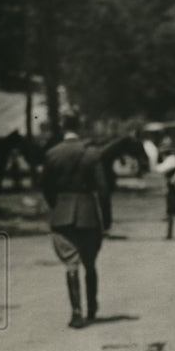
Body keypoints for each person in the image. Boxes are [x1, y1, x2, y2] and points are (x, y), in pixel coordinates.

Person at [42, 112, 111, 328]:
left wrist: (57, 206)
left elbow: (46, 187)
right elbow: (103, 189)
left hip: (62, 215)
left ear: (63, 128)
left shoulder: (52, 154)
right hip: (88, 215)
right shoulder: (91, 153)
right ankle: (92, 307)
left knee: (71, 264)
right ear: (80, 128)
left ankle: (76, 313)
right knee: (90, 263)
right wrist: (107, 218)